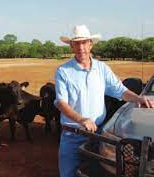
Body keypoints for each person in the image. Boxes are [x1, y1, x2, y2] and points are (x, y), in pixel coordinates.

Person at [54, 25, 154, 177]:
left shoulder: (102, 69)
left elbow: (120, 90)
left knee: (97, 172)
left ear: (90, 44)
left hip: (99, 134)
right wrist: (81, 119)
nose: (81, 47)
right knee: (69, 173)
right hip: (72, 135)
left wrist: (138, 98)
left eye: (84, 42)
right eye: (77, 43)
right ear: (72, 46)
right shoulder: (63, 71)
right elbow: (61, 103)